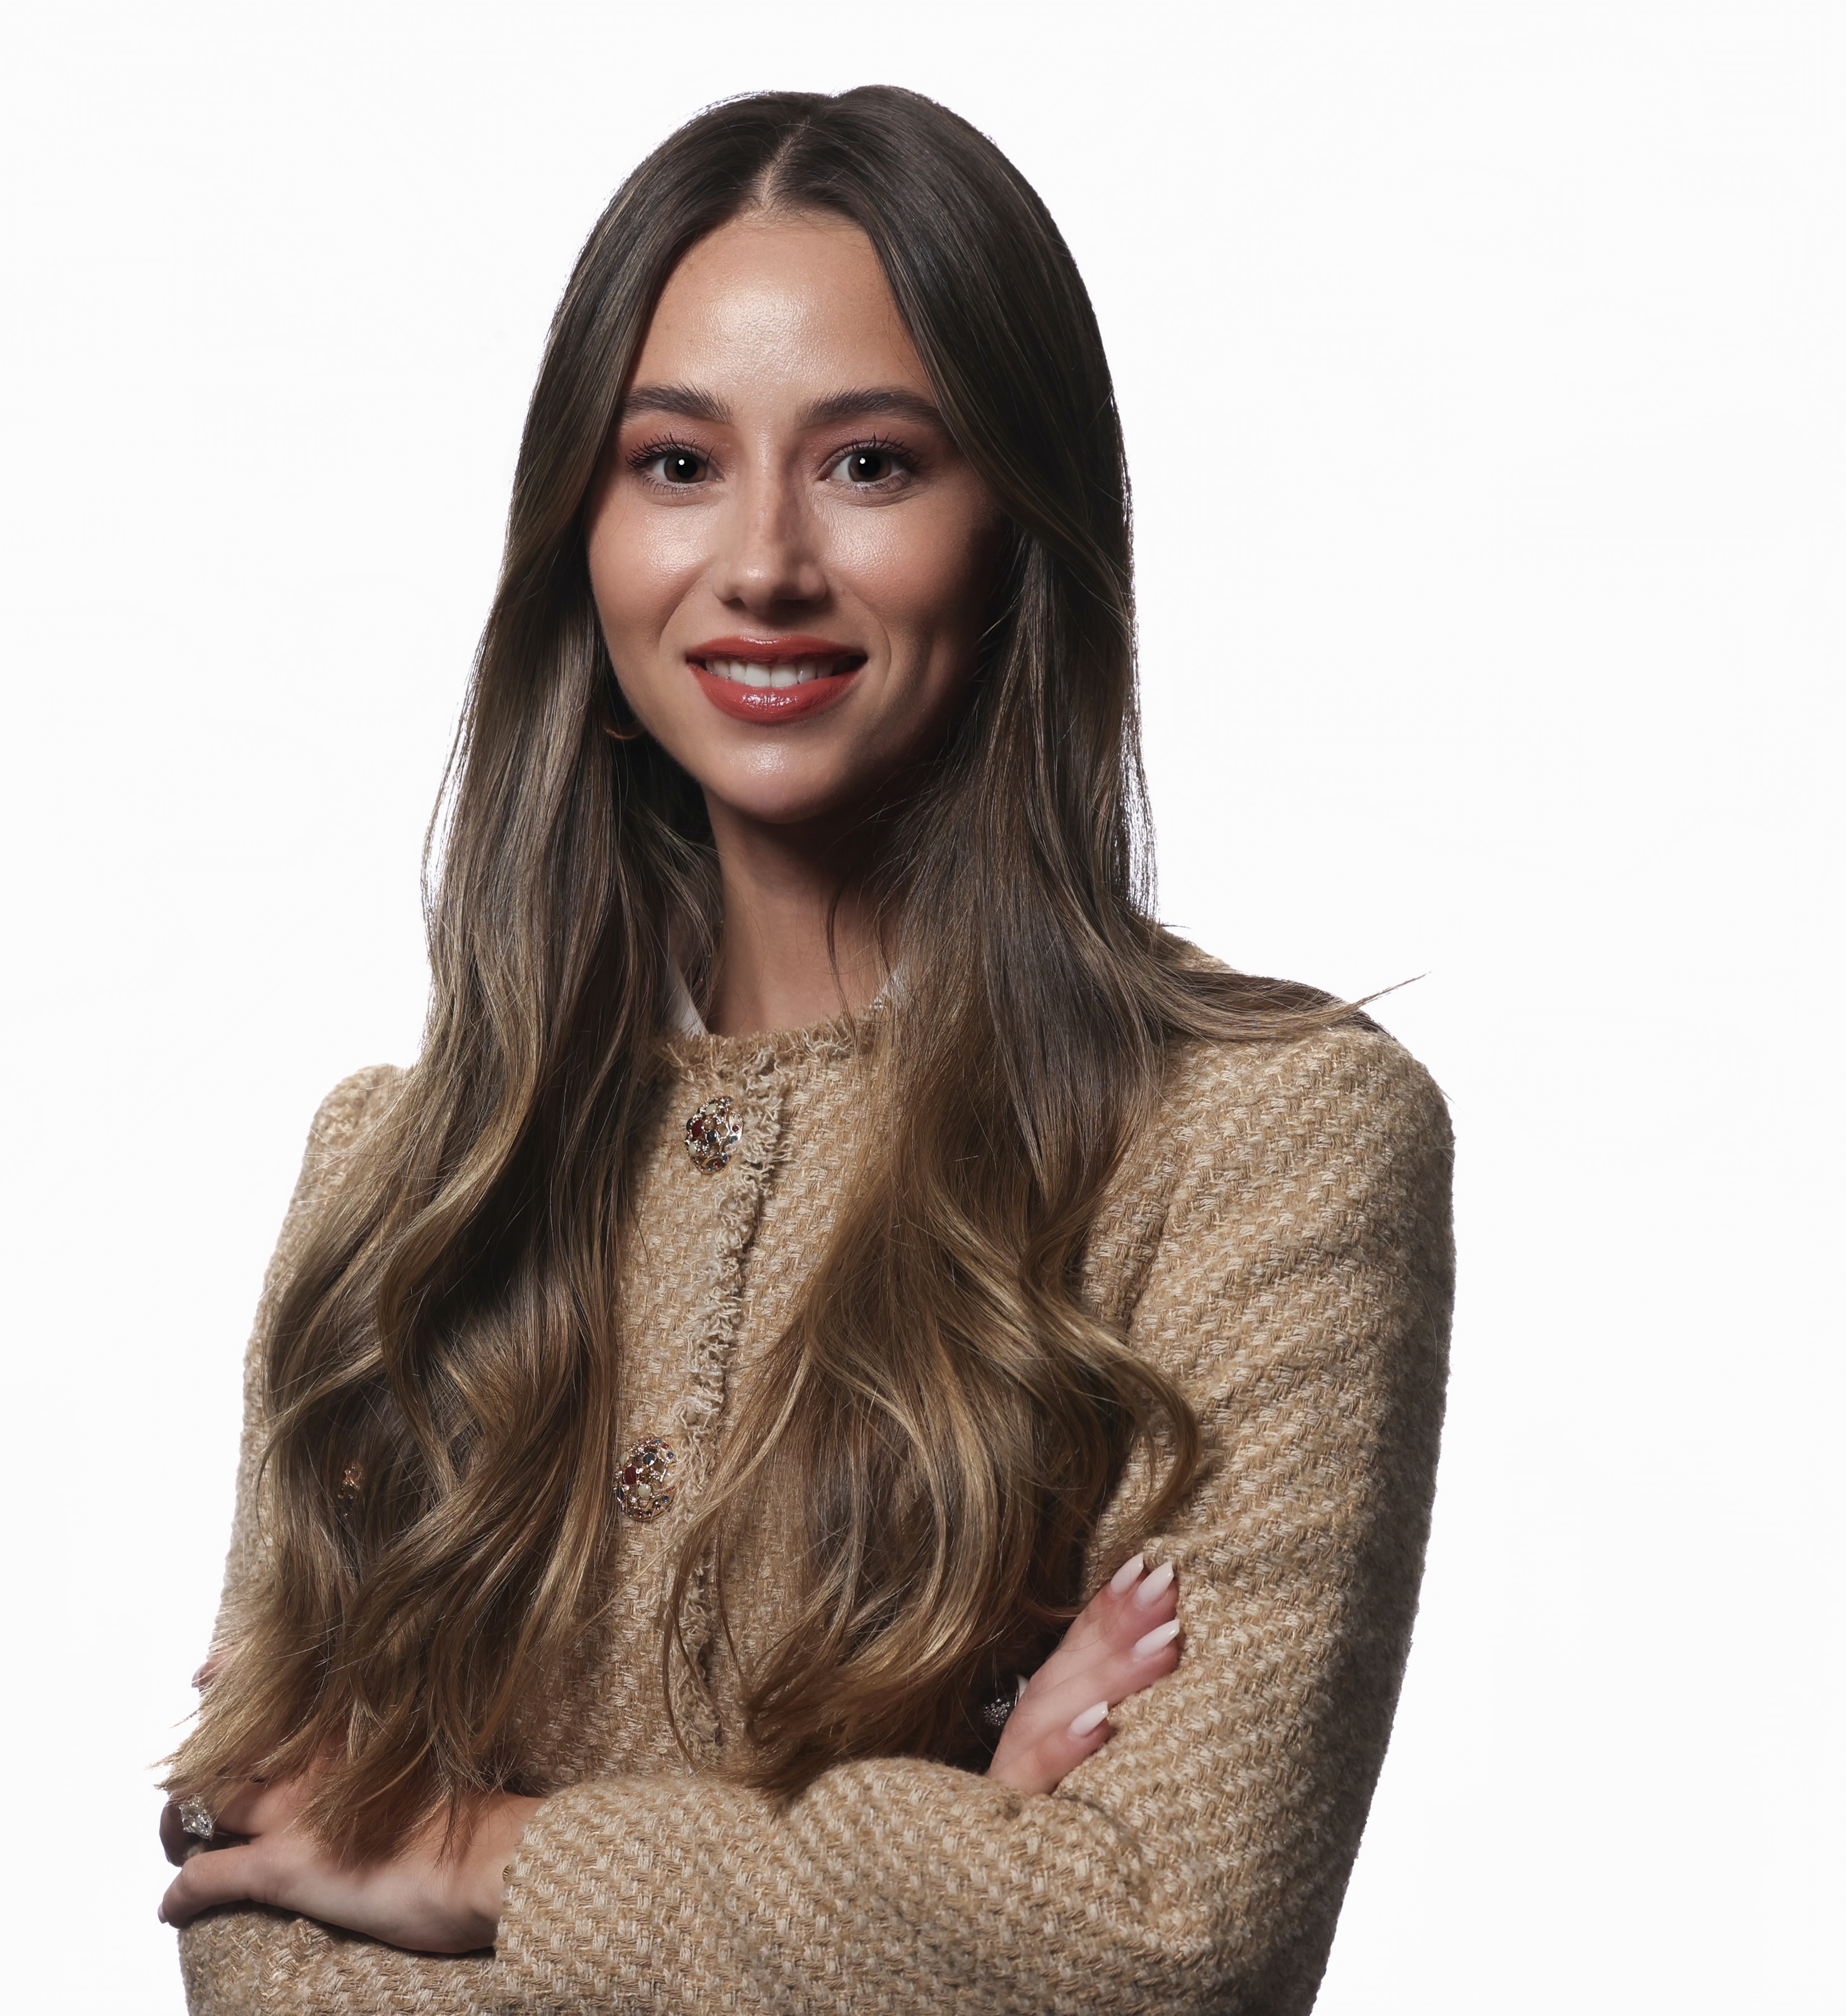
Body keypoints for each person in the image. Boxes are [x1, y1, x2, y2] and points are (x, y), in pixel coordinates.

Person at [159, 85, 1455, 2014]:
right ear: (580, 535)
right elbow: (260, 1929)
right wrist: (943, 1880)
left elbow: (1163, 1940)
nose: (761, 562)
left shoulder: (1272, 1137)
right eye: (673, 464)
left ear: (1017, 524)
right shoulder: (404, 1178)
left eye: (868, 463)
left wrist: (484, 1852)